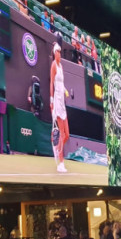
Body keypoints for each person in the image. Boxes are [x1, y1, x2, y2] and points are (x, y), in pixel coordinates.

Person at [49, 42, 69, 173]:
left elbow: (61, 83)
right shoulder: (54, 65)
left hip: (63, 102)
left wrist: (66, 90)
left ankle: (56, 150)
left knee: (67, 134)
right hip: (57, 101)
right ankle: (60, 163)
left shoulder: (61, 66)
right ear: (54, 53)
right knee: (61, 134)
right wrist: (51, 100)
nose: (59, 54)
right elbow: (52, 83)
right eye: (57, 52)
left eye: (60, 52)